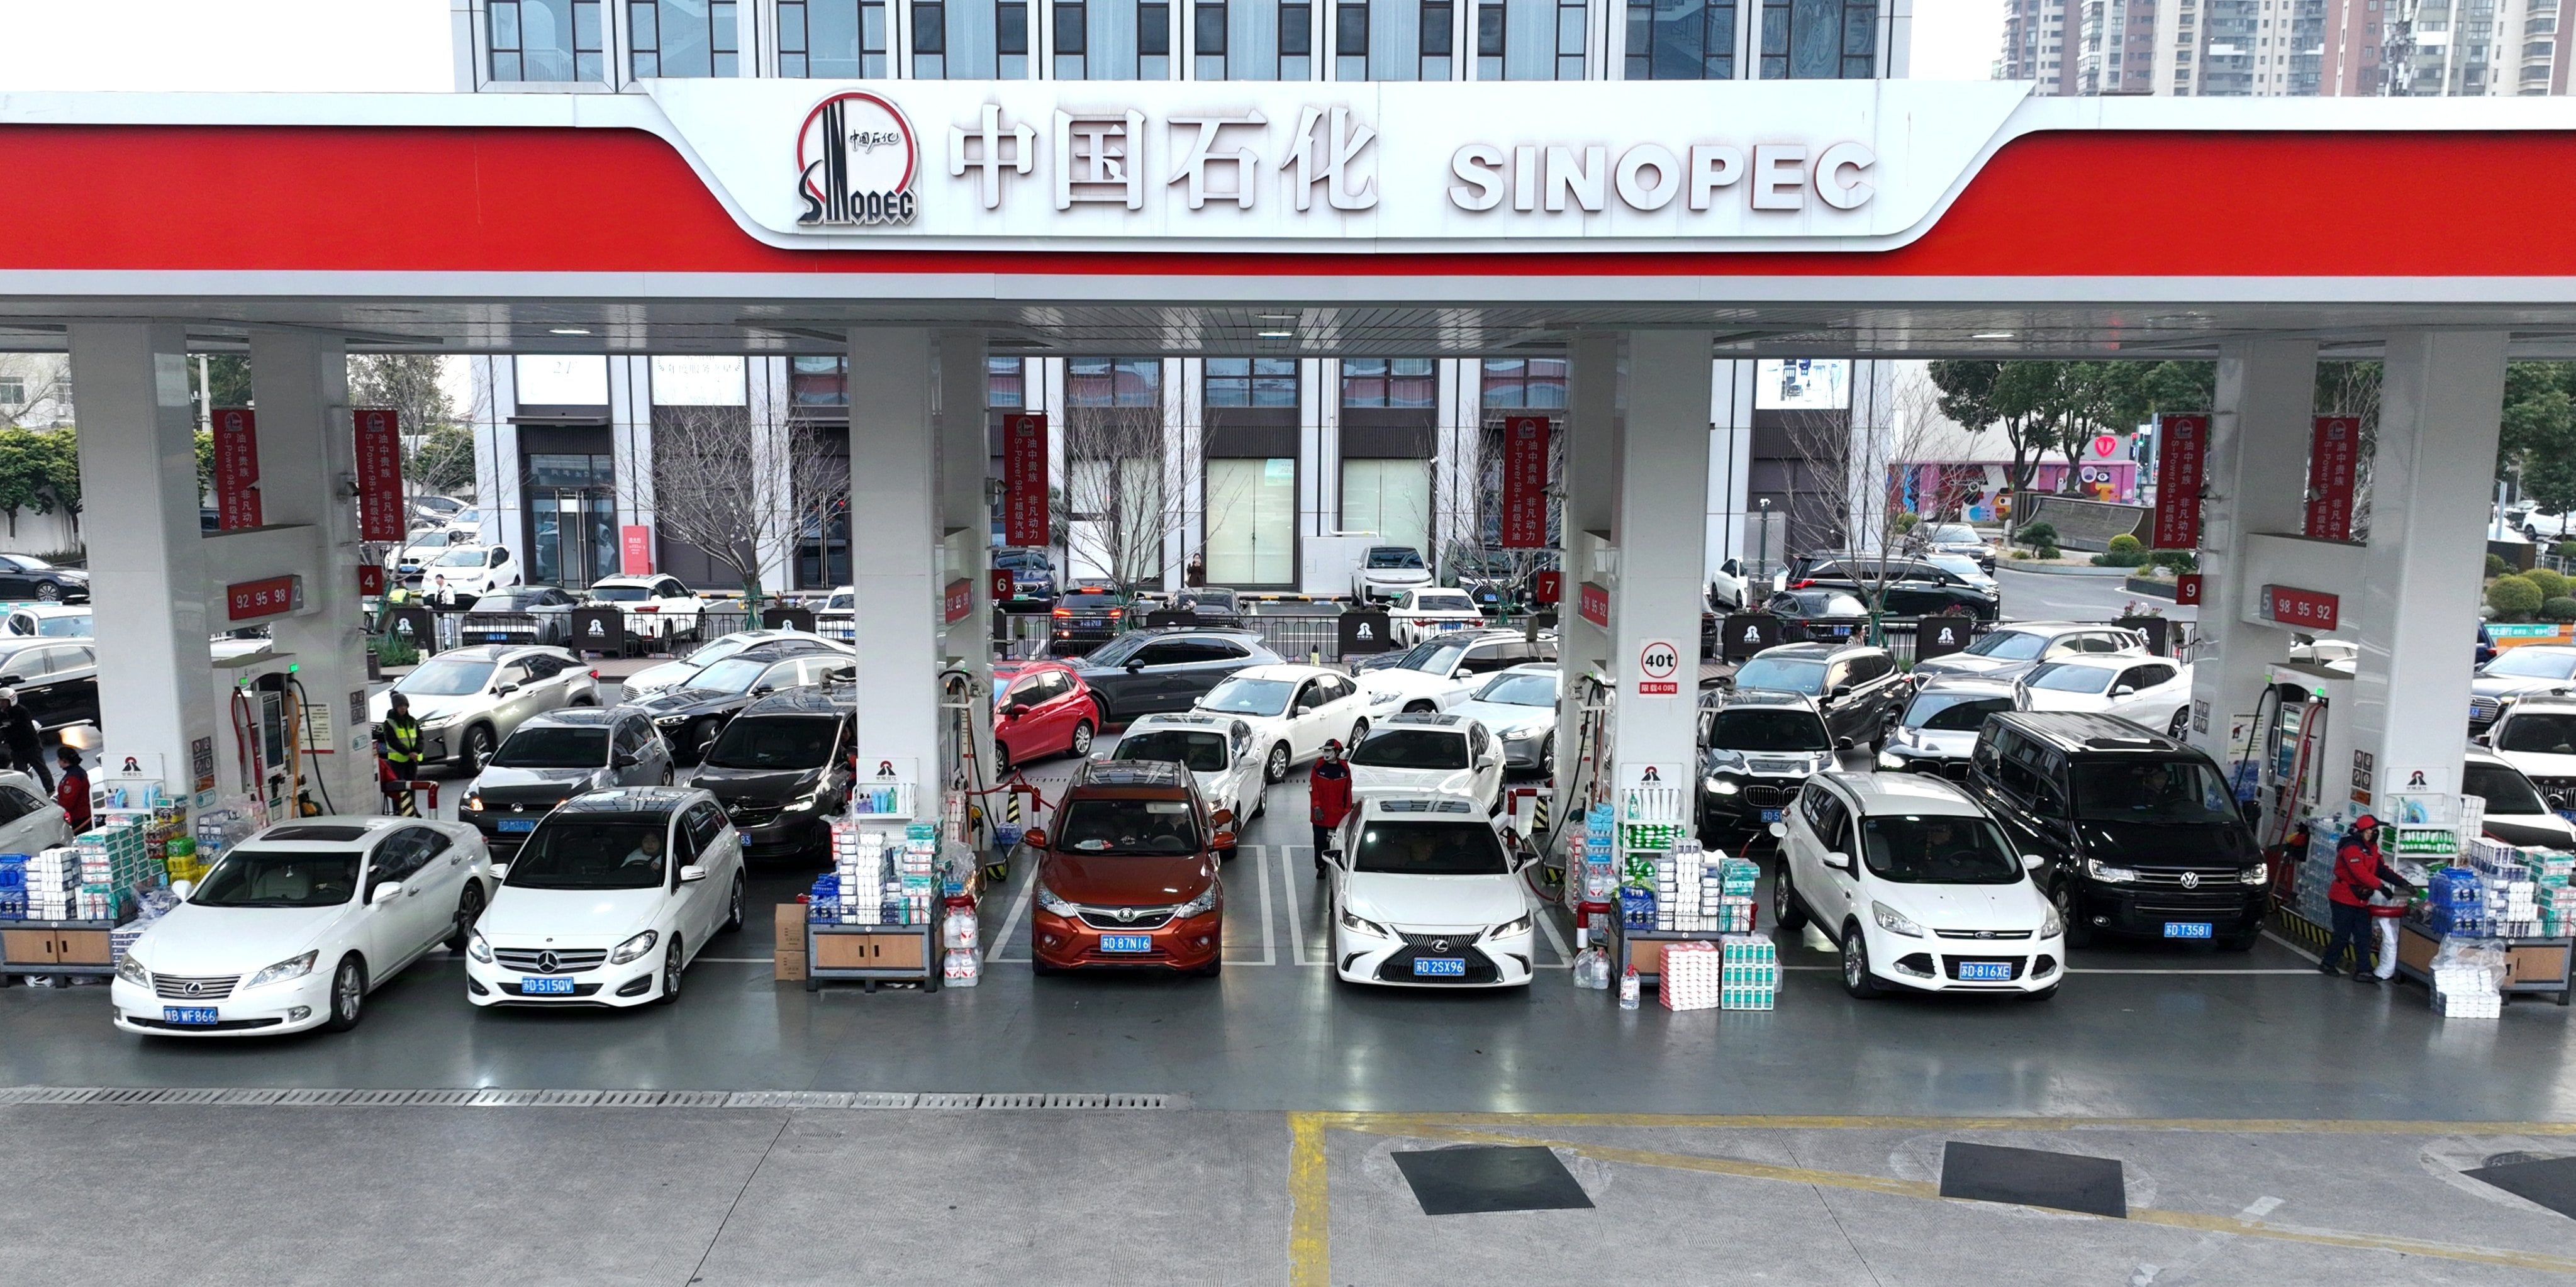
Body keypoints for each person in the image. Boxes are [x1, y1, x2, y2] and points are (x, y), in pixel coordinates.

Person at [2322, 814, 2397, 981]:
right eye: (2373, 829)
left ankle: (2364, 970)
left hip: (2360, 900)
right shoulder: (2351, 848)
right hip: (2343, 897)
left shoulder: (2372, 849)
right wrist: (2380, 887)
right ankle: (2328, 963)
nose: (2376, 832)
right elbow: (2360, 873)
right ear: (2364, 831)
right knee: (2342, 934)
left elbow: (2381, 869)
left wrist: (2402, 883)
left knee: (2364, 934)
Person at [1310, 738, 1354, 879]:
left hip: (1338, 816)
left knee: (1338, 842)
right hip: (1320, 816)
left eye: (1329, 750)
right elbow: (1314, 789)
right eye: (1325, 750)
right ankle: (1321, 867)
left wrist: (1347, 813)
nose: (1326, 753)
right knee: (1320, 842)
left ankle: (1337, 865)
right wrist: (1317, 807)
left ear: (1336, 752)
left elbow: (1348, 794)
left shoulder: (1344, 770)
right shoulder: (1318, 768)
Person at [378, 692, 422, 817]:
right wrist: (408, 753)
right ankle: (399, 811)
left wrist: (417, 751)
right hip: (397, 761)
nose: (403, 708)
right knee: (398, 788)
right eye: (400, 706)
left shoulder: (412, 721)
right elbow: (393, 741)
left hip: (412, 760)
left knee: (411, 786)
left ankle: (411, 810)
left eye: (405, 706)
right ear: (395, 707)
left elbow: (420, 738)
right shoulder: (389, 723)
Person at [0, 689, 50, 791]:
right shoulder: (1, 714)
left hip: (31, 746)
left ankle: (50, 790)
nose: (1, 703)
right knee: (20, 774)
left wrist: (9, 730)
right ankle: (26, 793)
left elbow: (24, 728)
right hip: (16, 749)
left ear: (11, 700)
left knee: (41, 769)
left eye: (3, 701)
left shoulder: (21, 711)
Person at [52, 745, 88, 833]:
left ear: (64, 760)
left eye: (59, 759)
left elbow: (68, 802)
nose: (57, 761)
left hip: (77, 816)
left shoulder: (72, 778)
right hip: (82, 814)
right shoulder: (78, 772)